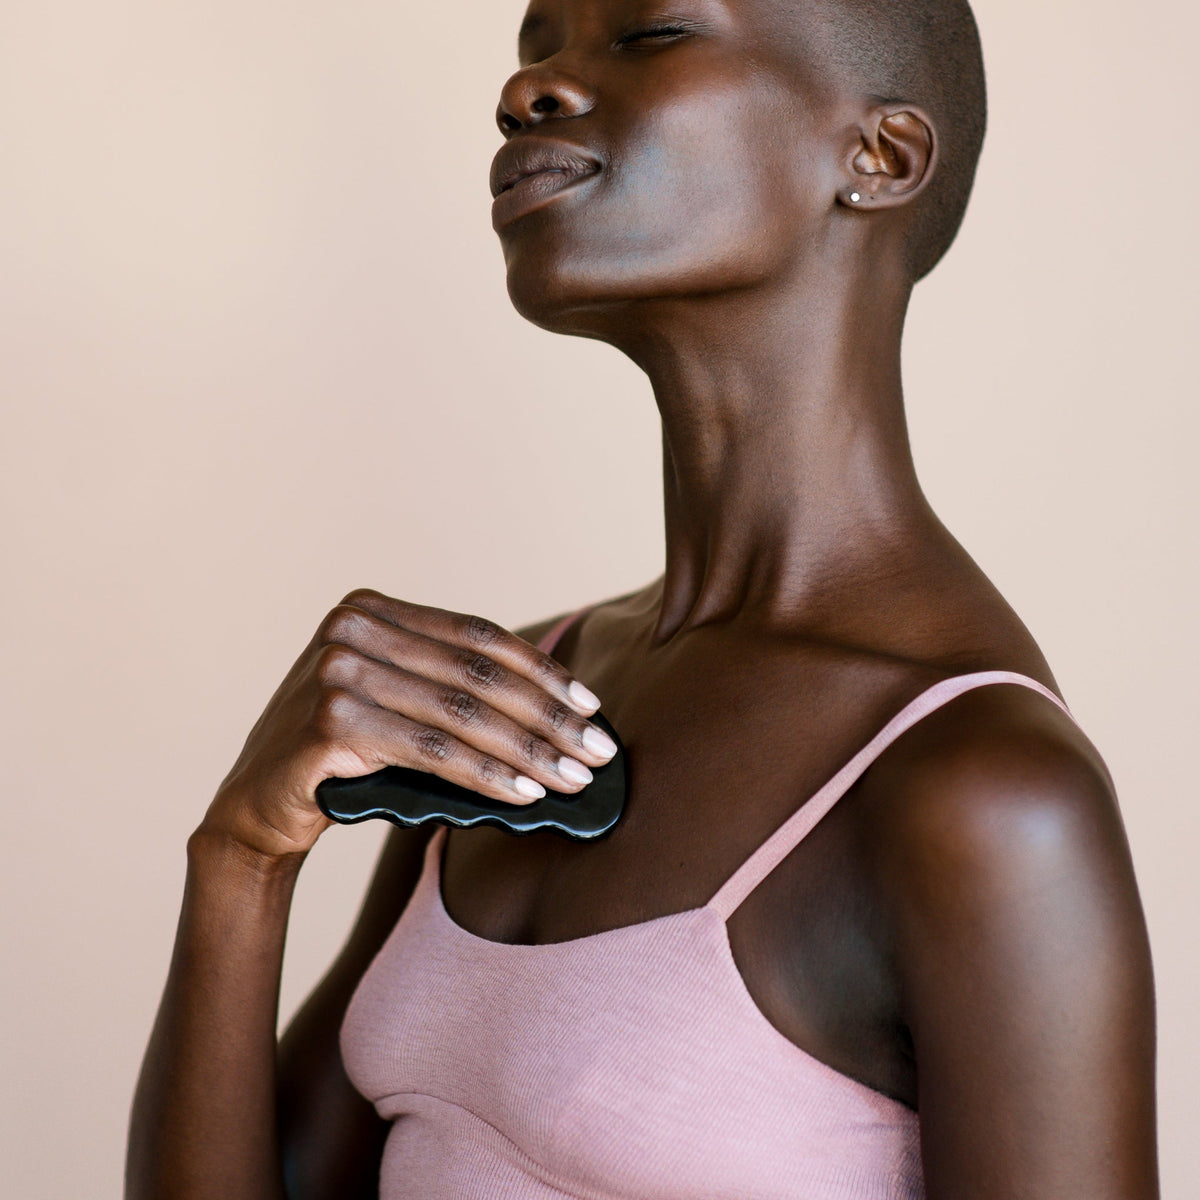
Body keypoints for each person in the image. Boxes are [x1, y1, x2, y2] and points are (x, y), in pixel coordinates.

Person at [125, 0, 1159, 1196]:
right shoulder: (504, 706)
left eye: (650, 34)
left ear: (879, 157)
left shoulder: (982, 793)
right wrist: (241, 858)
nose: (528, 93)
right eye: (535, 51)